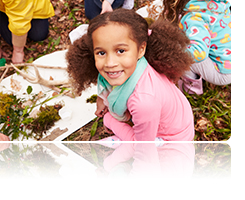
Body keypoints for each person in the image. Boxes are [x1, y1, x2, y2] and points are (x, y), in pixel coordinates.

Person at [66, 9, 194, 141]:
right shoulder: (137, 65)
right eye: (101, 53)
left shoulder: (144, 103)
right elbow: (104, 82)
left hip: (171, 141)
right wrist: (101, 100)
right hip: (172, 120)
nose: (110, 63)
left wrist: (109, 120)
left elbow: (142, 148)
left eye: (120, 51)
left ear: (141, 50)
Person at [162, 0, 231, 95]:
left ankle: (191, 91)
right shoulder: (218, 4)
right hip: (228, 56)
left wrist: (173, 51)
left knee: (183, 57)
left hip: (224, 73)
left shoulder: (195, 18)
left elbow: (199, 53)